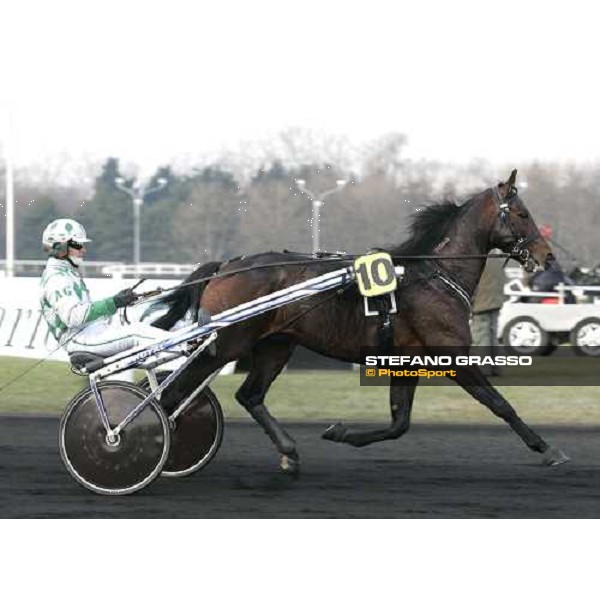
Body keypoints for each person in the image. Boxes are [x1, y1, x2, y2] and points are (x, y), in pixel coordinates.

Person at [40, 218, 174, 357]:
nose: (83, 250)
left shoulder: (66, 273)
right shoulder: (57, 278)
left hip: (90, 332)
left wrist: (119, 302)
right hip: (79, 339)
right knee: (136, 332)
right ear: (61, 248)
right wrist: (114, 302)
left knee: (139, 327)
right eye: (78, 245)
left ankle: (185, 345)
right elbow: (74, 317)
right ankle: (186, 347)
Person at [471, 249, 506, 376]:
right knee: (493, 336)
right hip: (496, 300)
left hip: (481, 302)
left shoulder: (478, 258)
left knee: (481, 336)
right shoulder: (498, 259)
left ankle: (482, 369)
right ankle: (496, 368)